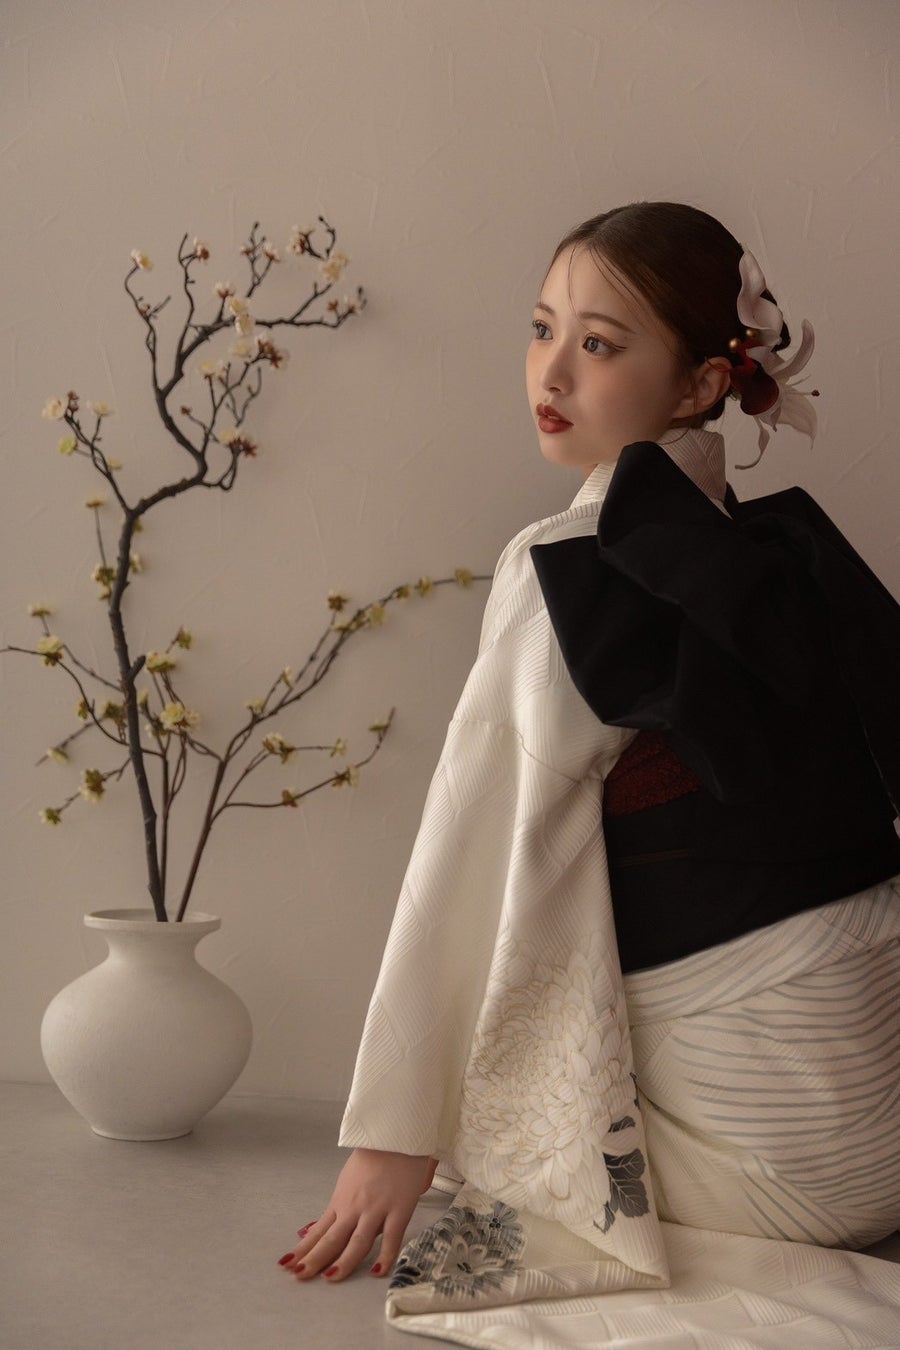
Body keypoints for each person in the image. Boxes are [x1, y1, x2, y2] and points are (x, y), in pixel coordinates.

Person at [276, 204, 900, 1336]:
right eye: (541, 329)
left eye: (600, 344)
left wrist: (397, 1134)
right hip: (879, 1120)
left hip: (772, 1174)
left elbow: (477, 847)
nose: (551, 372)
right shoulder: (781, 553)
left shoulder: (571, 564)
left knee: (497, 1153)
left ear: (704, 383)